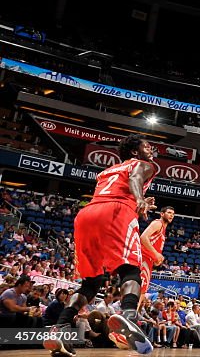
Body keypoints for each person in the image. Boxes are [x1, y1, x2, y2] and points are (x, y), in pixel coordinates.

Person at [45, 135, 157, 356]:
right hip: (115, 213)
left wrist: (138, 199)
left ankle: (61, 327)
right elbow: (135, 178)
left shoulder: (107, 172)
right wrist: (139, 199)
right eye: (147, 146)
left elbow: (119, 188)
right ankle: (129, 318)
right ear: (135, 152)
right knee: (131, 270)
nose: (151, 150)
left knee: (92, 282)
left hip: (87, 214)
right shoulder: (143, 165)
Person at [140, 206, 174, 297]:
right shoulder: (158, 223)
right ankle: (130, 310)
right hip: (143, 258)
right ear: (162, 214)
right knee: (140, 290)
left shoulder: (163, 229)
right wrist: (156, 254)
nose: (171, 215)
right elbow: (143, 237)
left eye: (173, 214)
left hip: (149, 260)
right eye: (169, 212)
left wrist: (156, 259)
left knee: (142, 291)